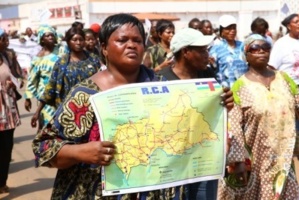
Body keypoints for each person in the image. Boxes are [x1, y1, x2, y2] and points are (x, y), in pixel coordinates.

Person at [32, 13, 233, 200]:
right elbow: (43, 147)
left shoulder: (164, 88)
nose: (131, 46)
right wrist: (79, 152)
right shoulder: (86, 95)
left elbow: (188, 129)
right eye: (122, 40)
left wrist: (218, 106)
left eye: (137, 41)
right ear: (104, 48)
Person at [218, 34, 299, 199]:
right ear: (246, 55)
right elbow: (233, 126)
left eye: (266, 48)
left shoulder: (284, 79)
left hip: (284, 154)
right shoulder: (240, 86)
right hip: (256, 158)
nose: (261, 51)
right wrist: (238, 161)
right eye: (255, 48)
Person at [158, 28, 233, 200]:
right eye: (202, 50)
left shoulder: (207, 77)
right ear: (186, 52)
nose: (208, 54)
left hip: (203, 161)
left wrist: (226, 104)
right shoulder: (161, 81)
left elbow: (215, 113)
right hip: (172, 164)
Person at [31, 27, 101, 128]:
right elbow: (51, 87)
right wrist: (37, 112)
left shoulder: (94, 60)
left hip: (92, 109)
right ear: (68, 42)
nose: (78, 42)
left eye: (81, 39)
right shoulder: (62, 63)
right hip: (68, 112)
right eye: (74, 40)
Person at [23, 25, 60, 130]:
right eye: (47, 35)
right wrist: (28, 98)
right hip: (45, 97)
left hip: (61, 93)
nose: (50, 37)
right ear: (42, 39)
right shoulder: (38, 58)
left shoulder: (62, 52)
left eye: (52, 35)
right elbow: (32, 79)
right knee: (46, 124)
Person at [0, 29, 22, 194]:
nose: (6, 41)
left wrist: (14, 83)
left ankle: (2, 182)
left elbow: (19, 76)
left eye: (6, 38)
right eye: (3, 38)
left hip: (7, 111)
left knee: (6, 148)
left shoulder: (7, 56)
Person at [209, 14, 248, 88]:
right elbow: (213, 70)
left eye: (234, 28)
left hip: (244, 89)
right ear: (222, 31)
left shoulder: (242, 46)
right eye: (228, 28)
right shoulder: (216, 49)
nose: (232, 31)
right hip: (226, 91)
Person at [269, 13, 299, 85]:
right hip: (288, 87)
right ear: (289, 26)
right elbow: (272, 67)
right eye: (296, 22)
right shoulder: (281, 44)